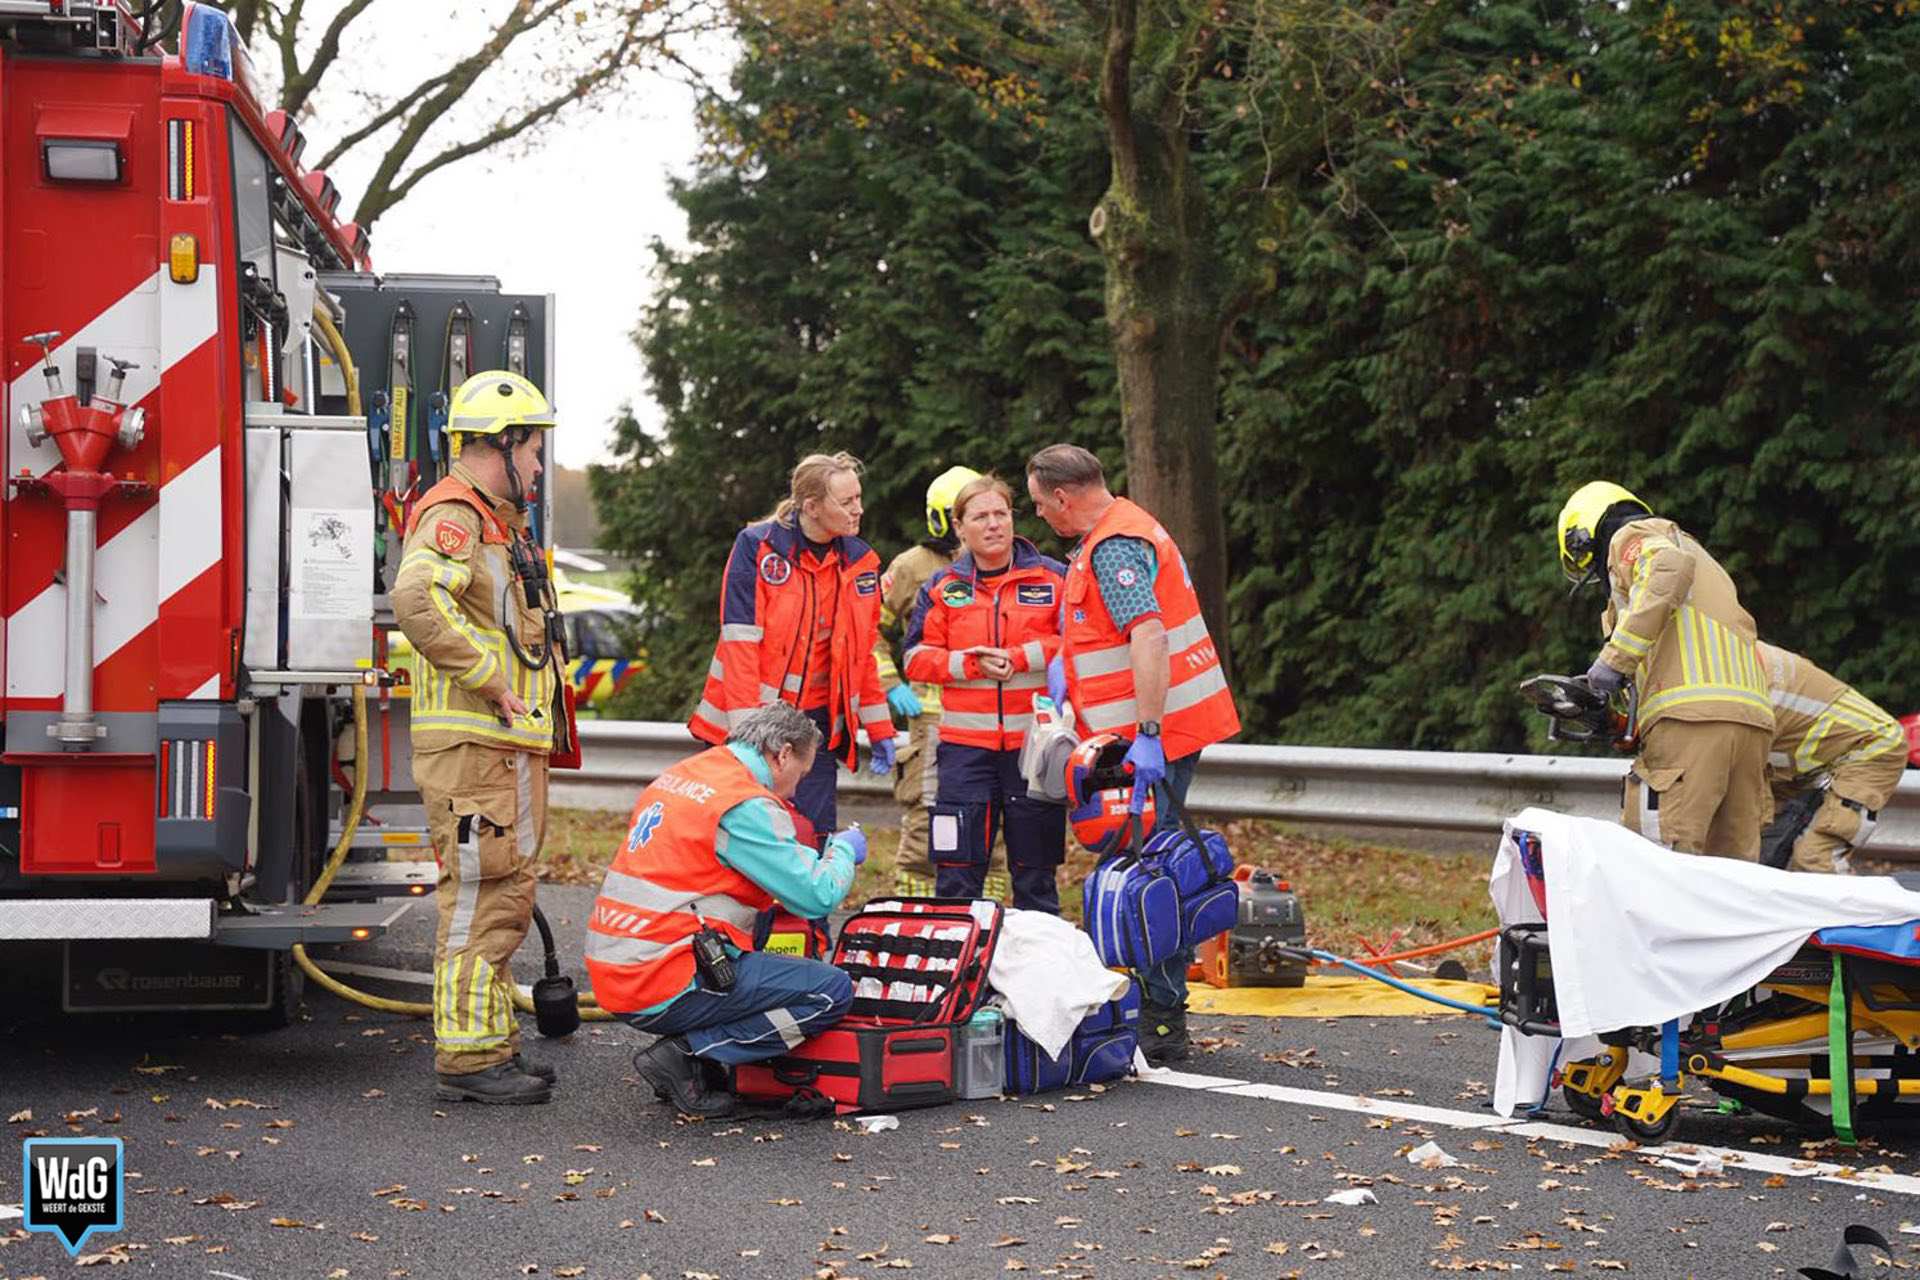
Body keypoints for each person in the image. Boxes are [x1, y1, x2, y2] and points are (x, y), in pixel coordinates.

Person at [1025, 444, 1240, 1063]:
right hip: (1133, 738)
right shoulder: (1115, 534)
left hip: (1153, 739)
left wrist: (1147, 731)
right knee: (1147, 865)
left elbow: (1147, 632)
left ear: (1064, 497)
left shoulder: (1115, 545)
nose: (1040, 516)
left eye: (1041, 505)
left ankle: (1162, 1018)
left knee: (1152, 872)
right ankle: (1151, 1007)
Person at [392, 370, 565, 1105]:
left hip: (503, 750)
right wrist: (494, 680)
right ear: (500, 442)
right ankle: (467, 1061)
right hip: (474, 749)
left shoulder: (499, 522)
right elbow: (414, 598)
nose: (537, 466)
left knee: (505, 895)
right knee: (478, 896)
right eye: (531, 449)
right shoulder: (454, 516)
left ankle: (489, 1046)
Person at [586, 704, 864, 1118]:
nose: (793, 791)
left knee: (761, 964)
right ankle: (691, 1055)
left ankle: (692, 1057)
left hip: (617, 964)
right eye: (800, 776)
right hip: (661, 975)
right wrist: (843, 851)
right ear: (782, 754)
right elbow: (815, 896)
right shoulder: (745, 803)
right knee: (830, 991)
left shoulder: (686, 774)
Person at [1556, 481, 1774, 859]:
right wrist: (1615, 719)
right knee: (1735, 879)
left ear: (1583, 535)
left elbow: (1666, 568)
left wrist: (1614, 659)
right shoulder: (1702, 556)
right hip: (1751, 724)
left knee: (1657, 867)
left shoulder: (1632, 534)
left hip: (1690, 722)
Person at [688, 452, 896, 842]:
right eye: (847, 501)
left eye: (858, 498)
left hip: (813, 730)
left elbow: (861, 655)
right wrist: (749, 738)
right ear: (812, 507)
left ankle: (803, 907)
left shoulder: (861, 563)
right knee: (749, 843)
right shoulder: (758, 548)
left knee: (810, 841)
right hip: (753, 723)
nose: (859, 509)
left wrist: (881, 728)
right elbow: (740, 646)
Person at [902, 475, 1069, 911]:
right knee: (957, 876)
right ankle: (961, 970)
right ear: (959, 528)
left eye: (1001, 514)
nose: (993, 524)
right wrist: (970, 663)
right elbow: (916, 658)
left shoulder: (1055, 578)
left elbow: (1080, 644)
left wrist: (1022, 656)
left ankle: (1040, 974)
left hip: (1034, 751)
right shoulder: (940, 587)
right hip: (963, 755)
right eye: (980, 516)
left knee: (1036, 876)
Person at [873, 465, 985, 898]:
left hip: (993, 718)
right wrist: (890, 685)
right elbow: (870, 634)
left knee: (988, 831)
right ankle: (914, 922)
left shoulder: (998, 562)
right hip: (932, 718)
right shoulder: (911, 567)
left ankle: (981, 920)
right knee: (926, 822)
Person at [1756, 642, 1905, 875]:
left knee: (1816, 860)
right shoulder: (1735, 655)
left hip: (1870, 749)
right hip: (1804, 766)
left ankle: (1849, 911)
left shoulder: (1739, 677)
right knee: (1760, 857)